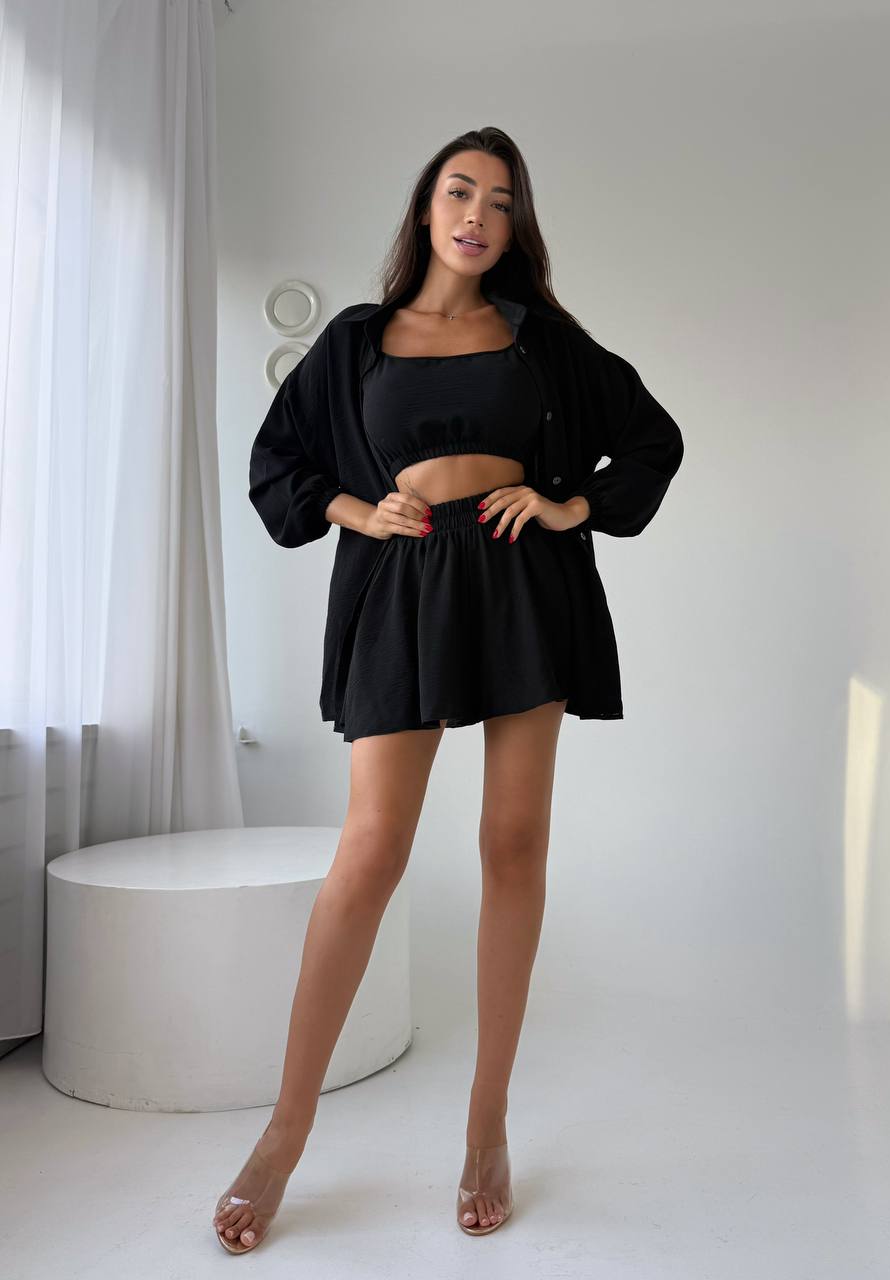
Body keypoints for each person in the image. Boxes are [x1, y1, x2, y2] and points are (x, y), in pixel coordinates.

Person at [213, 126, 684, 1252]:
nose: (478, 214)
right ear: (426, 209)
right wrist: (357, 509)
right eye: (460, 192)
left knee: (512, 843)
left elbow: (651, 439)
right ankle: (285, 1131)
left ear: (516, 228)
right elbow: (280, 465)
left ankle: (486, 1122)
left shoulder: (540, 339)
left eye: (501, 201)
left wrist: (572, 505)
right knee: (371, 850)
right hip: (405, 589)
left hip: (522, 581)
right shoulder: (357, 340)